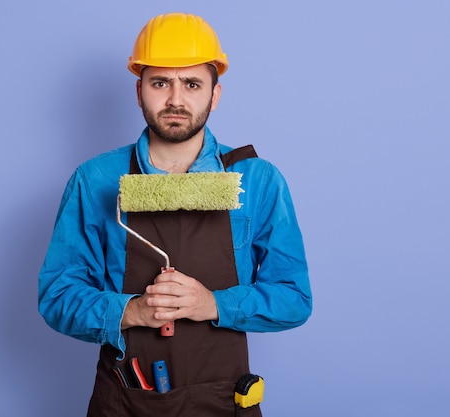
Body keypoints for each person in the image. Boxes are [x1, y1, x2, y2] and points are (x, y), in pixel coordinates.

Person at [39, 12, 312, 417]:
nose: (176, 100)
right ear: (139, 91)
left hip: (224, 401)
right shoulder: (95, 179)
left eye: (192, 84)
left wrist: (213, 305)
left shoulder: (256, 181)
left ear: (215, 95)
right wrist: (131, 311)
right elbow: (57, 296)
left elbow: (294, 298)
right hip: (127, 400)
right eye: (160, 82)